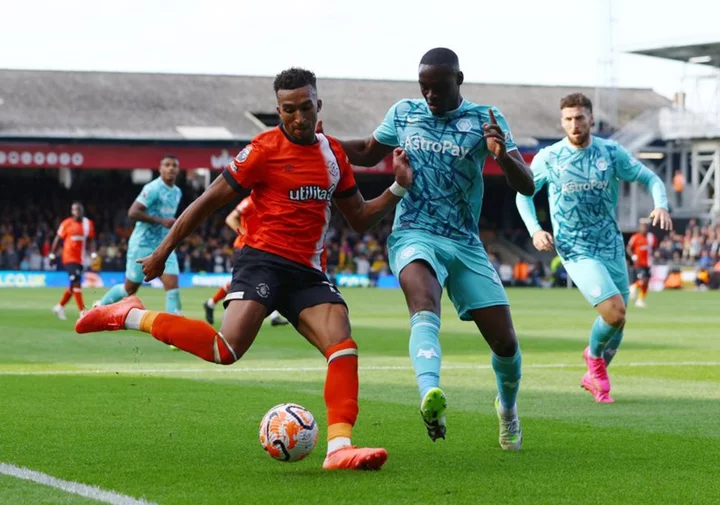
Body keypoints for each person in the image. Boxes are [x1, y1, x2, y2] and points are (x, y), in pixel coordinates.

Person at [76, 67, 413, 471]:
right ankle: (127, 314)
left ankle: (339, 447)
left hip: (307, 270)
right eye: (289, 110)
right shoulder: (261, 150)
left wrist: (398, 188)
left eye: (306, 108)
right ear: (278, 111)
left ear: (318, 105)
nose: (299, 118)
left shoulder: (333, 154)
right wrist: (164, 250)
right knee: (225, 349)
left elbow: (359, 217)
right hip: (264, 261)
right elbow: (208, 201)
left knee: (343, 345)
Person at [321, 48, 533, 450]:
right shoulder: (404, 113)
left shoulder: (485, 119)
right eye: (424, 88)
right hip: (414, 232)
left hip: (465, 242)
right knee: (423, 301)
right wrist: (321, 141)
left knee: (505, 343)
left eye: (437, 88)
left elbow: (527, 184)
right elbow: (368, 151)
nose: (430, 96)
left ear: (459, 80)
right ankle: (430, 395)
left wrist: (502, 156)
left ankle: (507, 412)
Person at [516, 92, 672, 403]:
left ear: (591, 119)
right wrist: (536, 230)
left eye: (579, 117)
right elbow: (523, 195)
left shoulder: (611, 153)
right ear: (562, 122)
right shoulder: (549, 157)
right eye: (568, 119)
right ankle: (594, 358)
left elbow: (651, 178)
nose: (574, 124)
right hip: (575, 248)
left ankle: (594, 372)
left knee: (619, 320)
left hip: (611, 245)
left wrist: (662, 205)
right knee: (614, 312)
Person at [95, 156, 183, 313]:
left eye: (174, 165)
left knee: (172, 286)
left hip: (163, 245)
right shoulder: (153, 188)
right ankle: (99, 308)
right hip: (142, 243)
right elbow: (133, 212)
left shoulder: (177, 192)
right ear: (160, 168)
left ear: (178, 169)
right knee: (130, 288)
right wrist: (160, 221)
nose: (171, 168)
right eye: (167, 165)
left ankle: (174, 328)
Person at [203, 195, 288, 326]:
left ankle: (274, 316)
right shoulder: (250, 201)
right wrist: (246, 235)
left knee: (266, 277)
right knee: (242, 281)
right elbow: (230, 219)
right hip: (243, 248)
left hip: (259, 247)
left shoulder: (269, 201)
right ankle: (212, 304)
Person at [50, 202, 96, 320]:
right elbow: (57, 239)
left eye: (78, 210)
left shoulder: (88, 224)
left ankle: (59, 307)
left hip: (81, 259)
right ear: (72, 211)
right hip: (69, 257)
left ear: (82, 211)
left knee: (73, 285)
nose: (76, 212)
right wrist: (52, 254)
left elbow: (91, 240)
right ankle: (82, 312)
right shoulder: (66, 223)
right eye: (74, 210)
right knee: (76, 282)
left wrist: (93, 253)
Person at [627, 218, 656, 308]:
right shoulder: (635, 237)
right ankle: (633, 287)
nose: (644, 228)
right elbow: (628, 248)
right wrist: (633, 256)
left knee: (646, 282)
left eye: (646, 226)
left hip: (648, 263)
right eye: (643, 226)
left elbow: (654, 248)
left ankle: (640, 300)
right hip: (639, 263)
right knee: (643, 280)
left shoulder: (651, 237)